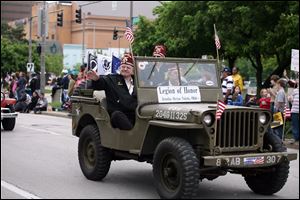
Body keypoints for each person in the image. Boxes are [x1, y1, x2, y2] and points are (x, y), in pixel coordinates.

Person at [86, 52, 137, 130]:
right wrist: (96, 79)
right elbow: (101, 83)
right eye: (123, 67)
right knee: (117, 115)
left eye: (128, 67)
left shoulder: (138, 83)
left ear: (133, 70)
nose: (125, 69)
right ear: (120, 68)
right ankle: (133, 135)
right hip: (118, 115)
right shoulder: (112, 79)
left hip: (135, 115)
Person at [288, 78, 299, 144]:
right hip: (294, 109)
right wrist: (290, 99)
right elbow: (292, 101)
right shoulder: (294, 90)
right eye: (297, 79)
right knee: (295, 125)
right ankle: (295, 138)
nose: (297, 80)